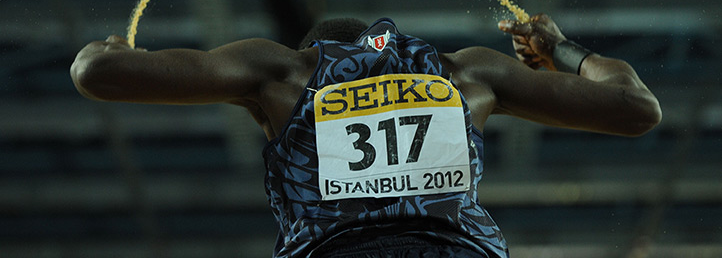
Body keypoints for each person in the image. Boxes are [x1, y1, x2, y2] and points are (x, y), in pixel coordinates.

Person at [70, 13, 661, 258]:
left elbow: (94, 73)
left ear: (313, 51)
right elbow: (636, 106)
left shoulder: (285, 71)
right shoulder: (468, 73)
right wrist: (557, 47)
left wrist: (111, 48)